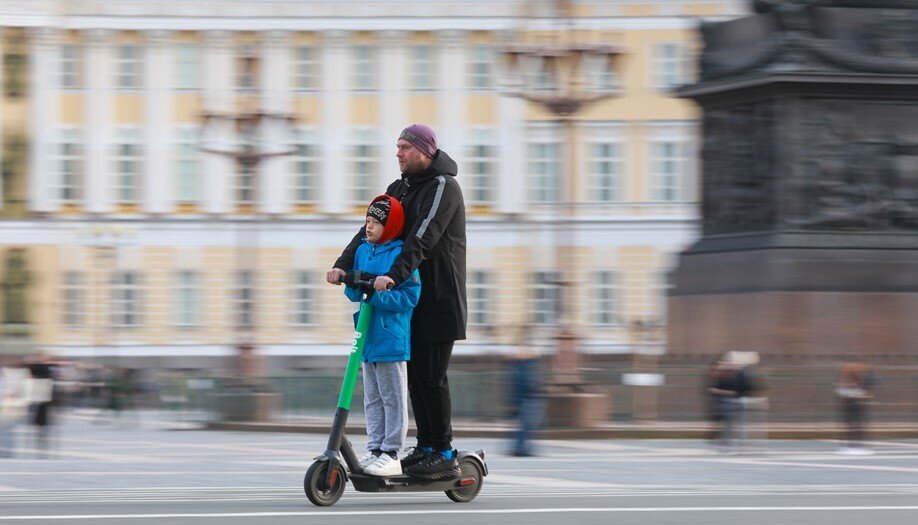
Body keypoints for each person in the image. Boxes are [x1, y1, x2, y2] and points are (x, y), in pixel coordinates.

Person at [328, 124, 466, 479]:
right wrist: (343, 265)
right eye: (397, 147)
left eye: (405, 147)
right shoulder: (400, 188)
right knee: (415, 378)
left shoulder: (442, 187)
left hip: (437, 297)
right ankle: (425, 447)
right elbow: (369, 231)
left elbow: (421, 238)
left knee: (431, 377)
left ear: (426, 151)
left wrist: (393, 275)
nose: (399, 153)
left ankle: (444, 451)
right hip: (406, 300)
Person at [343, 195, 421, 477]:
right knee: (372, 398)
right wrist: (347, 280)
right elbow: (355, 289)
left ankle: (391, 452)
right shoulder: (363, 250)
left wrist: (376, 294)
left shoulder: (400, 254)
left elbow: (409, 298)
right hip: (367, 338)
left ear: (390, 227)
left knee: (393, 397)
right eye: (367, 221)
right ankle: (374, 448)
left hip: (391, 338)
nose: (369, 227)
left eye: (375, 223)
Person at [835, 361, 875, 455]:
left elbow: (865, 392)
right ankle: (851, 445)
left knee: (855, 426)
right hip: (852, 405)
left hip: (855, 406)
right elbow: (842, 391)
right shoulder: (847, 379)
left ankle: (855, 446)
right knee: (853, 426)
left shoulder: (857, 379)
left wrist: (858, 394)